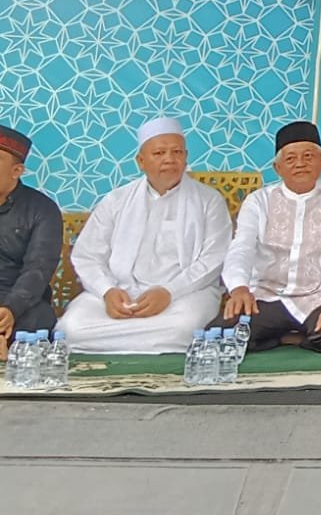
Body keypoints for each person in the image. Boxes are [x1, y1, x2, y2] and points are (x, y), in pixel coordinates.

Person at [58, 118, 232, 353]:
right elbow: (87, 256)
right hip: (120, 292)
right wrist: (107, 291)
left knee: (185, 329)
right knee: (71, 328)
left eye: (177, 152)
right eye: (159, 153)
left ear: (186, 157)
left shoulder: (209, 200)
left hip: (185, 294)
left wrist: (169, 292)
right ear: (141, 161)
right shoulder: (116, 200)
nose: (169, 159)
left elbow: (215, 258)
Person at [211, 121, 321, 352]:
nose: (300, 164)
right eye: (291, 158)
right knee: (220, 336)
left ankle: (277, 337)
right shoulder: (259, 201)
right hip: (267, 296)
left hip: (318, 297)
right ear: (278, 168)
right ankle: (287, 337)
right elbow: (241, 248)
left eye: (308, 156)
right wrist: (239, 288)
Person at [0, 125, 62, 357]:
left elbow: (38, 269)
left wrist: (10, 309)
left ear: (16, 171)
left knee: (40, 319)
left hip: (18, 301)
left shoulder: (42, 209)